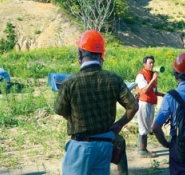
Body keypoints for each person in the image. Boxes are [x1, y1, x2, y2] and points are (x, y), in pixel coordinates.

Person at [54, 30, 139, 175]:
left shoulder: (69, 83)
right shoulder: (114, 79)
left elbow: (60, 110)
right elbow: (133, 106)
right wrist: (119, 124)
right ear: (101, 55)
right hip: (105, 145)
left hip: (81, 146)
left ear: (80, 54)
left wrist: (74, 117)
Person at [135, 55, 166, 158]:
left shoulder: (151, 75)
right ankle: (142, 150)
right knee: (143, 127)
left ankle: (142, 148)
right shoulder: (141, 75)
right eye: (150, 63)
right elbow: (144, 90)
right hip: (144, 103)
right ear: (144, 64)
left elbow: (153, 91)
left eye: (153, 63)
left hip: (150, 103)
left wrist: (163, 95)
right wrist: (153, 79)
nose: (152, 65)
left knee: (147, 127)